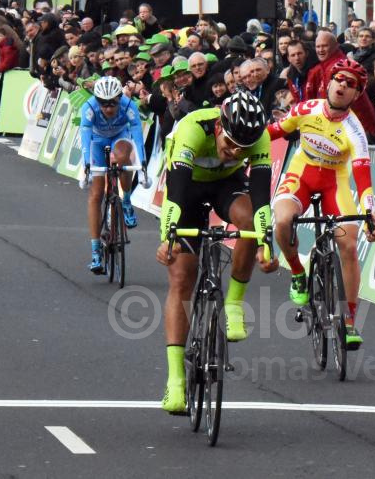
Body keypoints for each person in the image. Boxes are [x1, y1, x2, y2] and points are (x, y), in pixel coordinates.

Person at [155, 91, 278, 413]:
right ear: (220, 126)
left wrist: (266, 245)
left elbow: (263, 199)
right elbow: (175, 195)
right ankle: (175, 381)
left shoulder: (259, 138)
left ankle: (233, 303)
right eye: (231, 143)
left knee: (250, 222)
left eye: (243, 148)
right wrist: (168, 237)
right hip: (187, 188)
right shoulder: (193, 128)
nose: (235, 151)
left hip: (226, 184)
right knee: (182, 278)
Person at [268, 59, 375, 349]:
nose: (342, 85)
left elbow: (363, 176)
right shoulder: (307, 109)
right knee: (282, 221)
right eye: (339, 79)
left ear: (356, 95)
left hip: (335, 181)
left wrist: (370, 213)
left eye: (350, 84)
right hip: (301, 174)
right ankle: (297, 273)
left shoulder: (355, 131)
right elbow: (275, 132)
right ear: (328, 83)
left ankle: (349, 320)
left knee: (348, 244)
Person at [81, 77, 147, 273]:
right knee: (96, 194)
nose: (108, 108)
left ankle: (126, 200)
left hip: (120, 137)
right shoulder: (89, 108)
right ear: (96, 100)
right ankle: (95, 251)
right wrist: (86, 166)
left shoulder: (129, 106)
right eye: (103, 103)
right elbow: (85, 138)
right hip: (96, 142)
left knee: (123, 157)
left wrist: (142, 163)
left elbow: (137, 137)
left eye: (113, 103)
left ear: (120, 98)